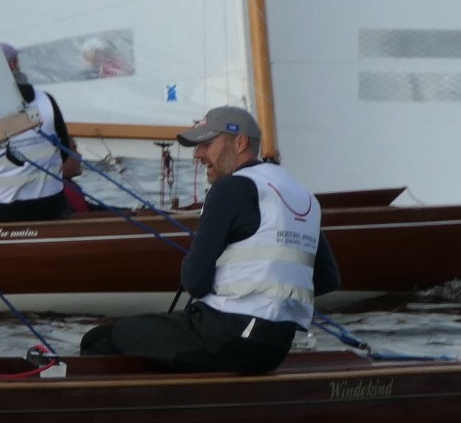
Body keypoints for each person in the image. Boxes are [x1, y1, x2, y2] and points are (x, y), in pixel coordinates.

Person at [80, 105, 339, 374]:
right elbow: (326, 279)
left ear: (238, 143)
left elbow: (195, 281)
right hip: (276, 346)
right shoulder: (302, 195)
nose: (198, 154)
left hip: (228, 336)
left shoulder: (229, 188)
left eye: (206, 144)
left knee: (99, 339)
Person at [0, 43, 81, 221]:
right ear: (14, 65)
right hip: (49, 206)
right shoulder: (47, 100)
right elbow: (64, 153)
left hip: (1, 210)